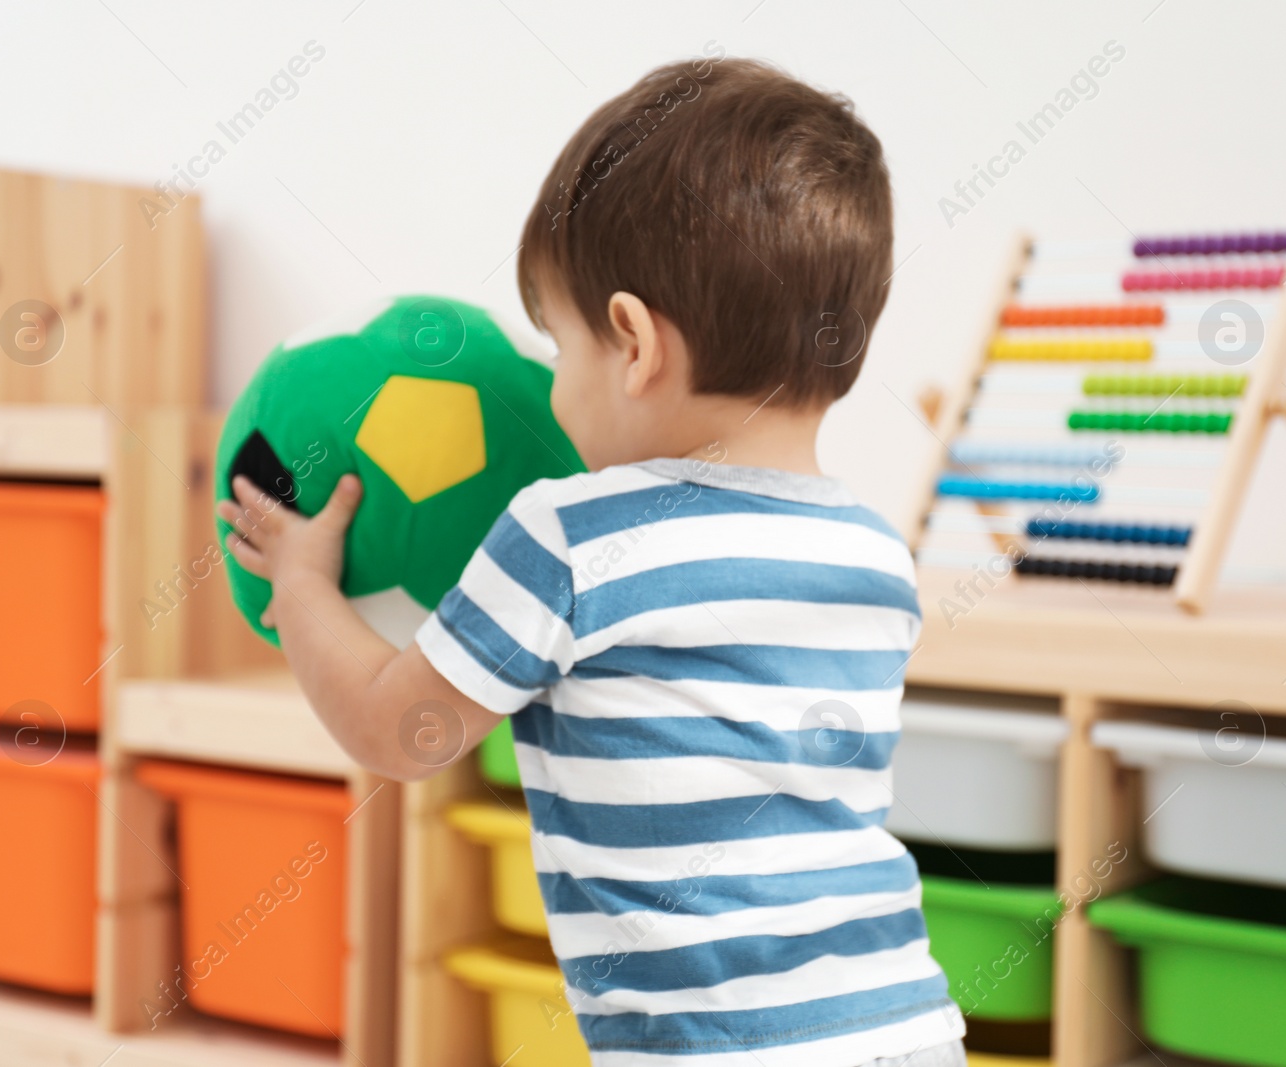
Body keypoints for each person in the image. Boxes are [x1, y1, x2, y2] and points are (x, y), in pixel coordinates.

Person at [219, 53, 966, 1067]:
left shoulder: (571, 534)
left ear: (632, 343)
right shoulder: (875, 554)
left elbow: (403, 730)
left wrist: (302, 584)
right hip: (904, 1025)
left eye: (559, 346)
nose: (552, 383)